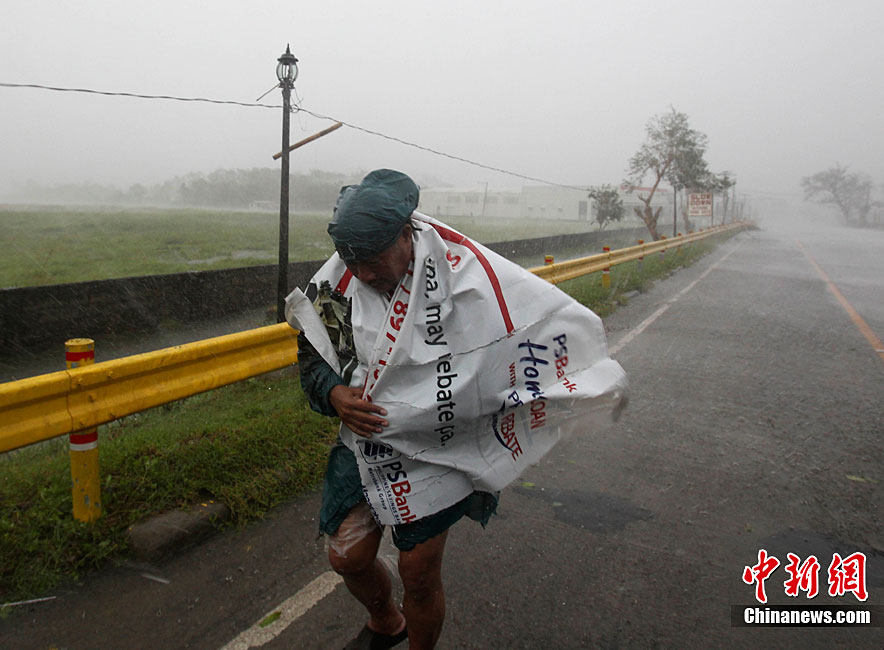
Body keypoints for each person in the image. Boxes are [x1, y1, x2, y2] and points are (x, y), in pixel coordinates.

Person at [289, 169, 627, 650]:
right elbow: (313, 352)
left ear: (405, 234)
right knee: (348, 556)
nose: (363, 274)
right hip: (367, 441)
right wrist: (334, 394)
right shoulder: (338, 281)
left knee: (418, 574)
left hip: (440, 446)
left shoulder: (466, 277)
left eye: (373, 261)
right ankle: (386, 622)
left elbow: (521, 336)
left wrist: (577, 385)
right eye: (352, 261)